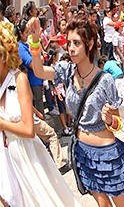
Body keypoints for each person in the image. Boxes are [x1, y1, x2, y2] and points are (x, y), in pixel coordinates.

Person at [27, 15, 124, 206]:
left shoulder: (105, 80)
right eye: (69, 43)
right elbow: (39, 71)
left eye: (76, 43)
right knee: (103, 205)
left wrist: (109, 119)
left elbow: (119, 123)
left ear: (89, 44)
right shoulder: (66, 71)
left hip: (108, 154)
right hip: (83, 152)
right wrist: (34, 41)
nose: (71, 48)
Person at [0, 22, 81, 207]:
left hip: (27, 156)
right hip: (6, 157)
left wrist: (2, 124)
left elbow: (29, 130)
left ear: (4, 55)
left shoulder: (19, 79)